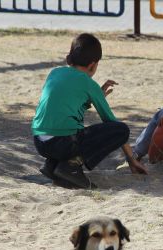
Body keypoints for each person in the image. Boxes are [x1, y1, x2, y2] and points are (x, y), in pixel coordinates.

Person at [31, 33, 147, 189]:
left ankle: (52, 164)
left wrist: (95, 97)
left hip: (39, 141)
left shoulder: (54, 73)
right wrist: (131, 159)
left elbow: (64, 105)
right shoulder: (88, 83)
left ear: (68, 59)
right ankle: (70, 167)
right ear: (93, 65)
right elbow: (111, 122)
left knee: (69, 131)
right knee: (121, 130)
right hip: (61, 143)